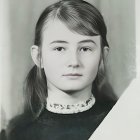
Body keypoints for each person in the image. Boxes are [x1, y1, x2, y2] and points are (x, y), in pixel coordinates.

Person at [4, 0, 117, 139]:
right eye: (59, 48)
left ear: (102, 56)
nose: (74, 62)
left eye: (85, 49)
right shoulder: (16, 133)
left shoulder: (122, 122)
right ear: (38, 56)